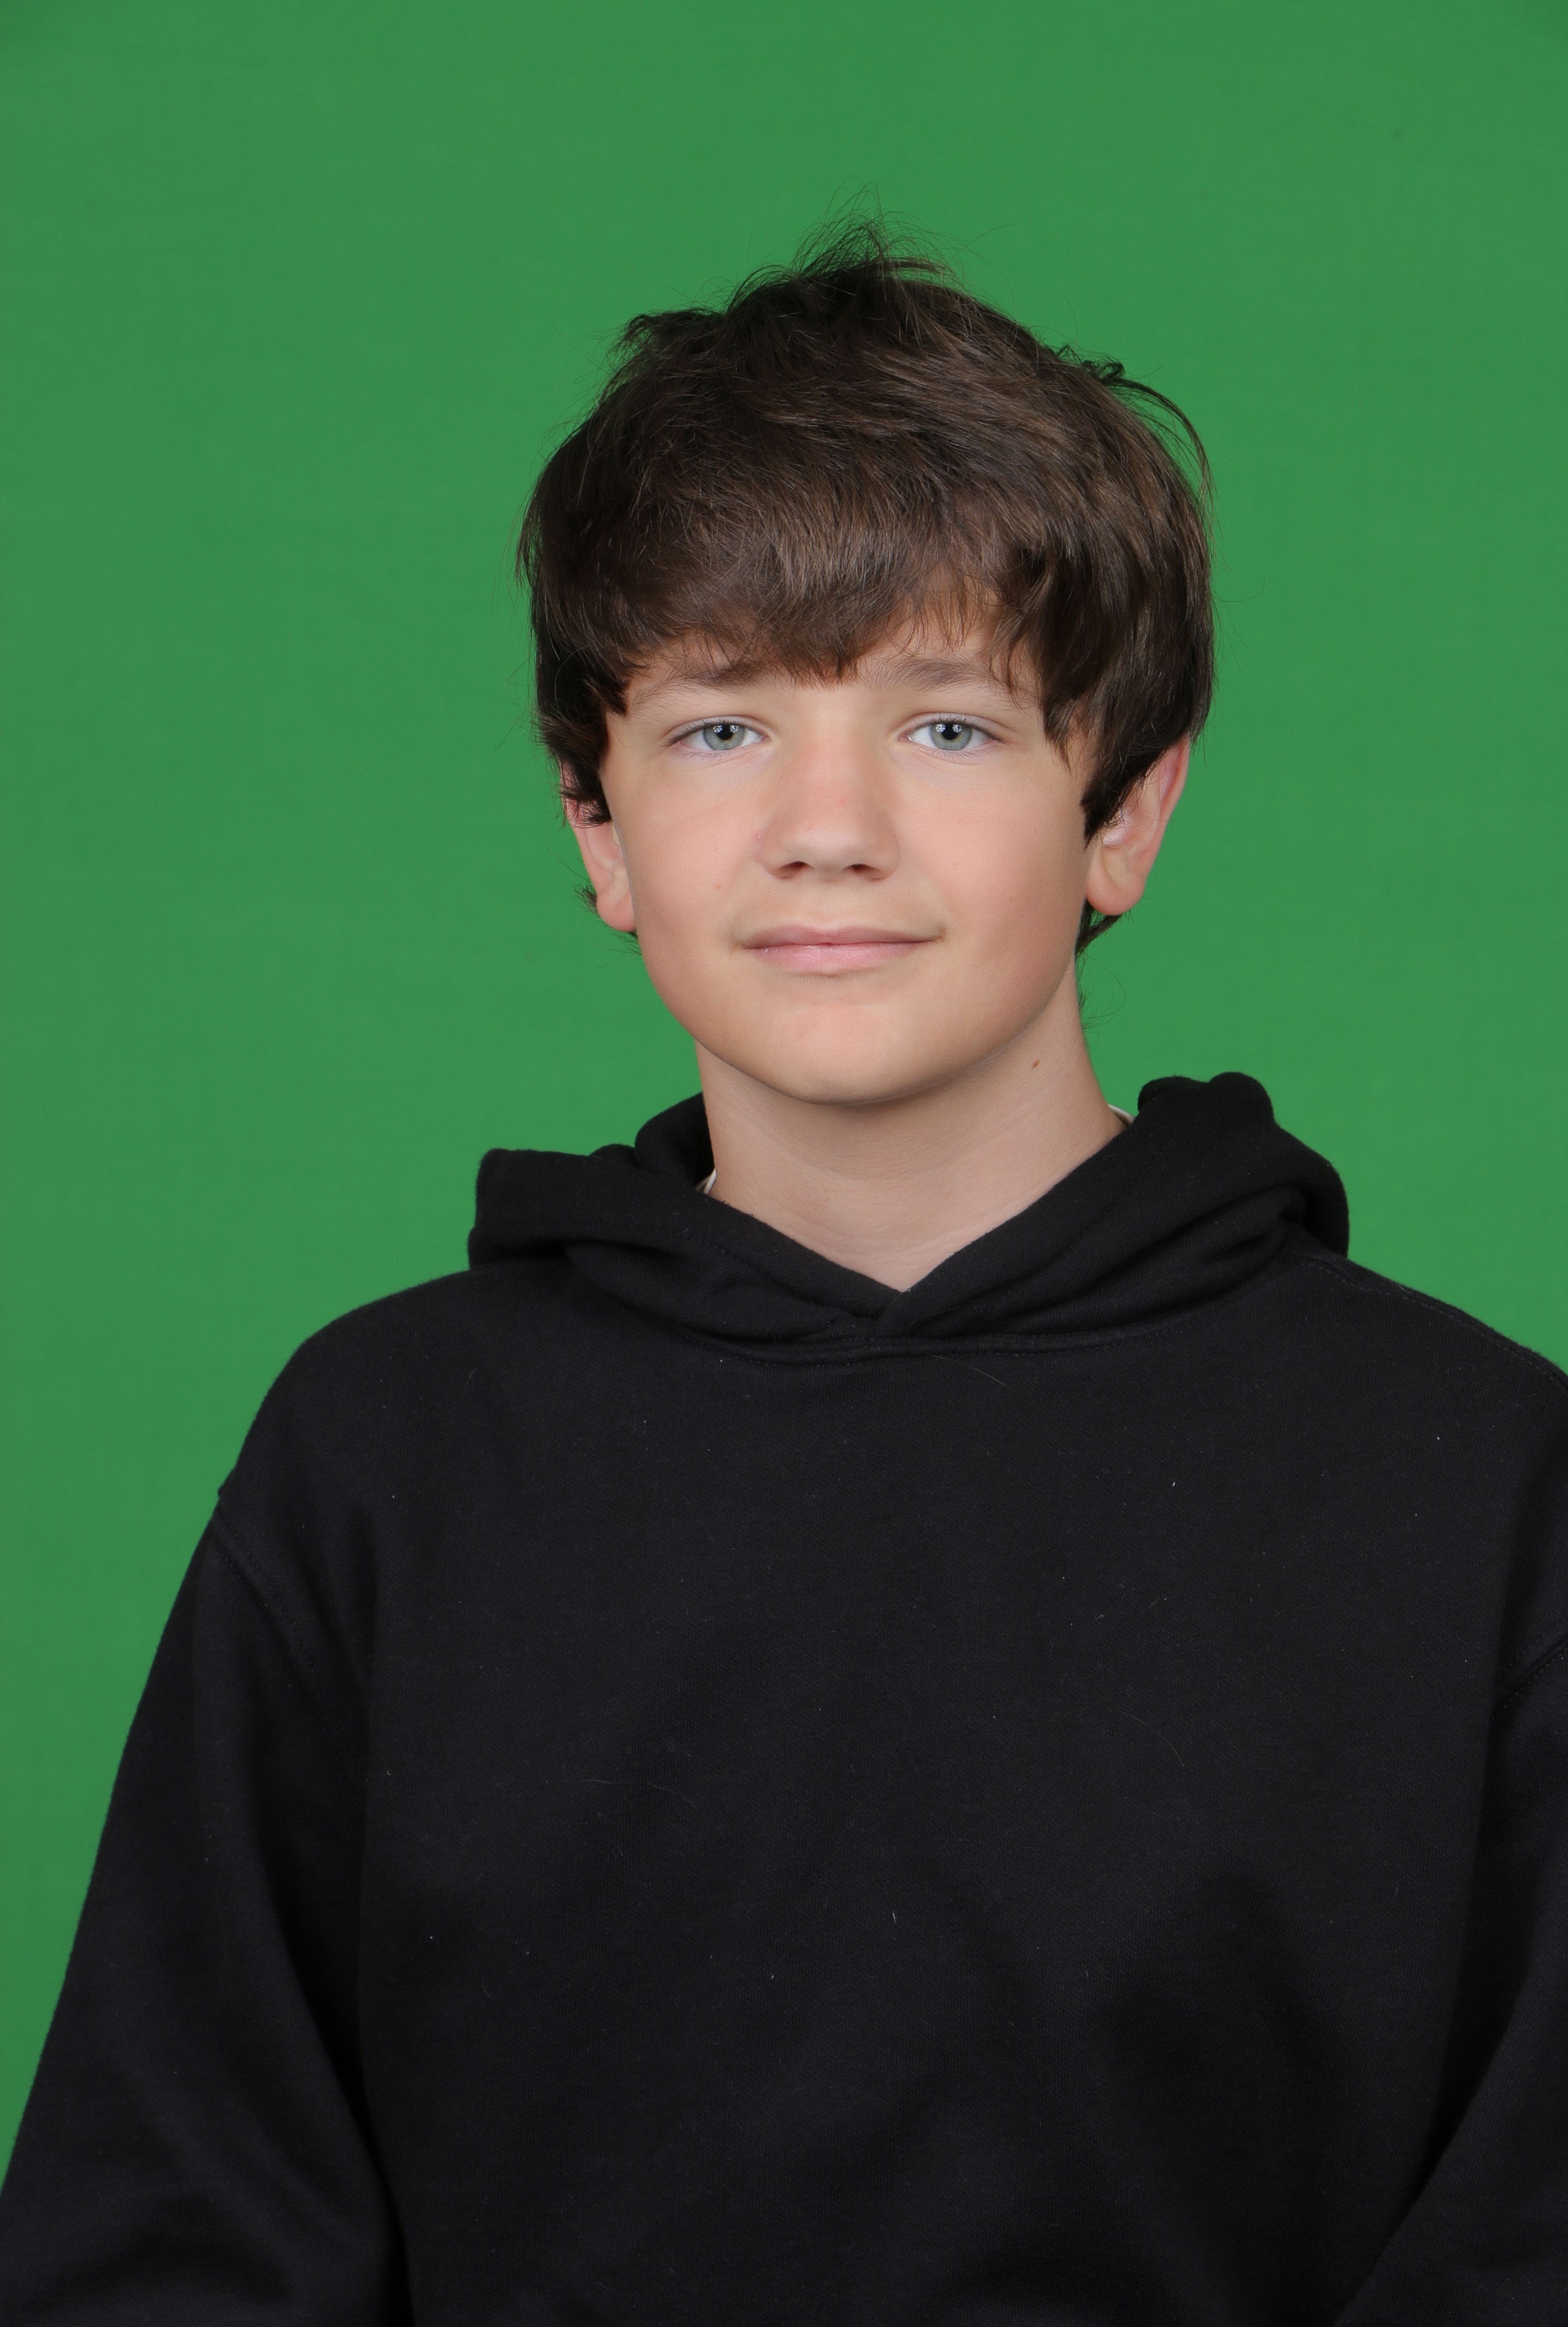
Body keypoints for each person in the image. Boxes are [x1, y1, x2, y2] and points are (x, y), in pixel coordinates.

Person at [1, 225, 1565, 2326]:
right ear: (598, 826)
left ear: (1124, 811)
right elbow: (166, 2241)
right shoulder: (385, 1462)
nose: (829, 828)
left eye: (949, 727)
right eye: (725, 726)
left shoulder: (1478, 1481)